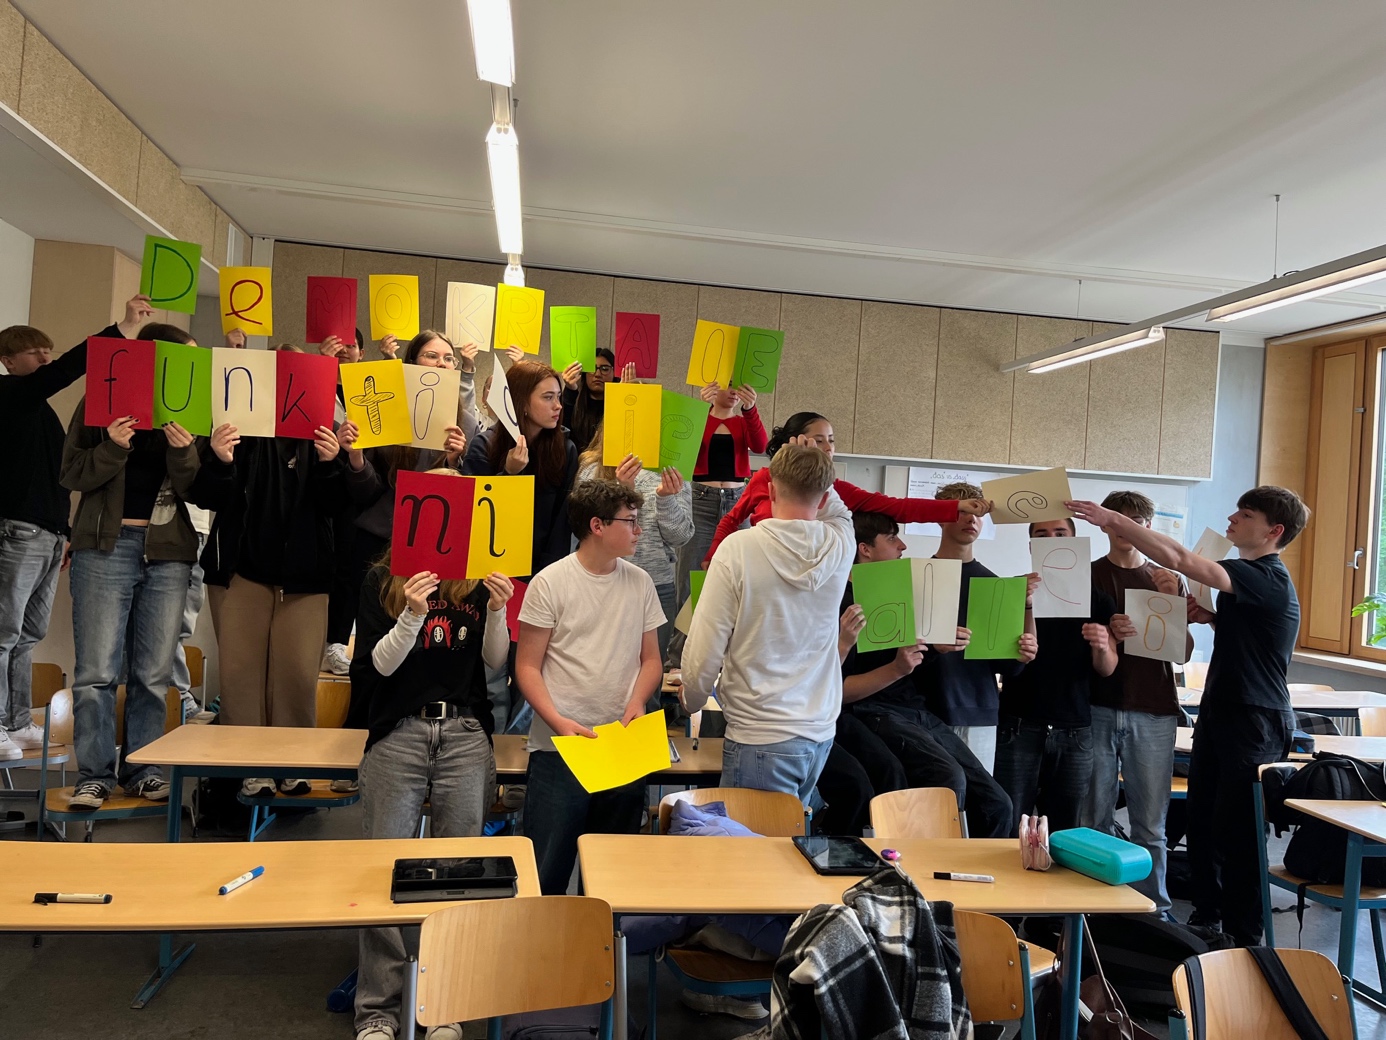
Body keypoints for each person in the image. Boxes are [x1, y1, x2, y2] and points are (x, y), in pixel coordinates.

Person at [1068, 487, 1308, 947]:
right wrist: (1209, 618)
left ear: (1273, 531)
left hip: (1254, 719)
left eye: (1246, 514)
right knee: (1202, 823)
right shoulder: (1245, 582)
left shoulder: (1265, 575)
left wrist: (1112, 519)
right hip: (1222, 713)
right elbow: (1249, 632)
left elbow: (1178, 557)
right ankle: (1207, 921)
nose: (1232, 518)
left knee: (1238, 832)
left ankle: (1244, 938)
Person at [349, 510, 513, 1040]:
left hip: (463, 731)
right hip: (399, 730)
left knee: (458, 870)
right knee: (383, 869)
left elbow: (494, 662)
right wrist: (412, 615)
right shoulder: (382, 579)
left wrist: (497, 611)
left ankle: (445, 1002)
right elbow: (379, 666)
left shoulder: (475, 580)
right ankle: (378, 1008)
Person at [0, 294, 153, 761]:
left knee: (28, 635)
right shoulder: (10, 395)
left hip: (47, 532)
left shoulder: (38, 409)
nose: (46, 358)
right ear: (8, 361)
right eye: (35, 353)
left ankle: (16, 720)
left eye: (48, 350)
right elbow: (66, 369)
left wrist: (64, 532)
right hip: (17, 530)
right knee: (4, 633)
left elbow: (57, 478)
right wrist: (122, 330)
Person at [60, 319, 203, 810]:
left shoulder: (187, 405)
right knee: (95, 673)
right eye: (183, 355)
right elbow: (71, 473)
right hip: (106, 546)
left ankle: (142, 769)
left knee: (153, 674)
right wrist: (112, 447)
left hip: (168, 553)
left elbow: (196, 488)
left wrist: (183, 452)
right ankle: (94, 775)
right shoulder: (101, 398)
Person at [190, 402, 352, 798]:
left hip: (306, 575)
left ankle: (291, 764)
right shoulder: (237, 422)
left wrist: (331, 462)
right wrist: (221, 459)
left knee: (297, 675)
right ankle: (250, 768)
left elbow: (338, 506)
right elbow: (205, 495)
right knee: (240, 675)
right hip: (241, 570)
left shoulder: (321, 431)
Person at [515, 479, 666, 894]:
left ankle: (602, 936)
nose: (638, 530)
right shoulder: (550, 582)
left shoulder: (640, 582)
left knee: (611, 878)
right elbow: (526, 666)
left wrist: (638, 700)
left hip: (621, 744)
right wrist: (557, 720)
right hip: (561, 747)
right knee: (547, 872)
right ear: (597, 526)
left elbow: (652, 660)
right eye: (630, 521)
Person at [682, 442, 853, 805]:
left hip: (759, 734)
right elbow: (840, 511)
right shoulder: (841, 544)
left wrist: (691, 698)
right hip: (819, 732)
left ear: (771, 490)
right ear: (824, 498)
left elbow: (706, 641)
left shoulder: (738, 549)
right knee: (790, 837)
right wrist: (819, 463)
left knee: (752, 842)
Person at [840, 511, 1015, 839]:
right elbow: (841, 691)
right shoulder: (842, 603)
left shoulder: (898, 594)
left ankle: (979, 870)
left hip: (915, 710)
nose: (902, 546)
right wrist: (897, 668)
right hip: (872, 712)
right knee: (949, 780)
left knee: (998, 803)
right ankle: (936, 863)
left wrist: (936, 648)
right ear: (865, 549)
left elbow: (909, 663)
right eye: (892, 538)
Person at [325, 330, 474, 679]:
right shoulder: (385, 409)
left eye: (448, 358)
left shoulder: (463, 420)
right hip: (380, 534)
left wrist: (454, 462)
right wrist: (356, 457)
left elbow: (464, 496)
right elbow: (366, 493)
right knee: (373, 626)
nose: (441, 363)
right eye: (431, 356)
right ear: (411, 362)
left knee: (419, 629)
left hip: (431, 539)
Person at [1079, 490, 1192, 921]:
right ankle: (1093, 911)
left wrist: (1175, 604)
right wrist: (1107, 632)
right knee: (1094, 815)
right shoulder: (1088, 576)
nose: (1126, 528)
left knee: (1150, 822)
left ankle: (1154, 913)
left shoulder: (1167, 577)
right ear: (1105, 524)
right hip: (1097, 704)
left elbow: (1183, 652)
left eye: (1137, 521)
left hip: (1155, 707)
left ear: (1147, 527)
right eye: (1117, 519)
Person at [703, 412, 990, 565]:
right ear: (795, 443)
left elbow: (898, 507)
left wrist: (957, 506)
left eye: (831, 440)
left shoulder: (836, 489)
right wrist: (712, 558)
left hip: (813, 577)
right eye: (818, 441)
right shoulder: (765, 479)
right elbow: (731, 519)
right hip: (763, 567)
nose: (828, 448)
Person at [994, 518, 1117, 834]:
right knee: (1010, 823)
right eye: (1042, 534)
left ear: (1074, 540)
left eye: (1060, 533)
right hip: (1018, 724)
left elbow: (1106, 668)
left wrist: (1103, 645)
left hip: (1074, 728)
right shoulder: (1011, 590)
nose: (1052, 539)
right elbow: (998, 659)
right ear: (1031, 545)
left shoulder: (1097, 599)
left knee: (1066, 830)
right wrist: (1022, 604)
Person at [912, 482, 1038, 771]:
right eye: (962, 511)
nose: (971, 519)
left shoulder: (996, 586)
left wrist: (1022, 652)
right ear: (941, 517)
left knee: (978, 796)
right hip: (921, 710)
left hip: (979, 713)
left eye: (978, 514)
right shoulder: (915, 578)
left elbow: (1009, 667)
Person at [667, 379, 766, 666]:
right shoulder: (701, 416)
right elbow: (685, 447)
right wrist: (700, 410)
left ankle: (727, 658)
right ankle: (678, 659)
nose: (734, 392)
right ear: (713, 385)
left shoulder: (743, 420)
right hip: (701, 499)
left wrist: (751, 408)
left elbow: (760, 445)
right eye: (728, 385)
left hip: (737, 500)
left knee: (739, 577)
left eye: (739, 386)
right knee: (689, 578)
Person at [577, 423, 693, 661]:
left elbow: (680, 537)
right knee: (602, 664)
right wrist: (622, 492)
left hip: (656, 585)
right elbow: (586, 529)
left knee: (651, 667)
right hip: (601, 584)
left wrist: (666, 498)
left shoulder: (672, 471)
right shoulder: (593, 469)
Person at [463, 360, 578, 578]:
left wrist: (548, 573)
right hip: (491, 567)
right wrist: (509, 475)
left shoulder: (565, 449)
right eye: (548, 397)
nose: (558, 406)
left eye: (558, 396)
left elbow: (562, 521)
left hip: (544, 569)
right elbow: (476, 516)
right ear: (521, 402)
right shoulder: (484, 445)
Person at [559, 347, 622, 452]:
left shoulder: (618, 405)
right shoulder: (574, 401)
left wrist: (626, 392)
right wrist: (570, 390)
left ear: (614, 373)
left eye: (605, 369)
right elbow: (562, 432)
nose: (597, 374)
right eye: (592, 369)